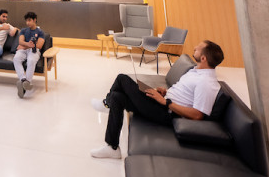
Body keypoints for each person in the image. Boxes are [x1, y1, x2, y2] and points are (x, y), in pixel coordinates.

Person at [90, 40, 224, 159]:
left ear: (203, 58)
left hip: (167, 113)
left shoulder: (206, 83)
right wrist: (165, 92)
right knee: (117, 97)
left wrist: (166, 102)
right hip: (163, 102)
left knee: (122, 79)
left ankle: (106, 104)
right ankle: (112, 148)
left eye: (198, 48)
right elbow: (184, 94)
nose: (195, 47)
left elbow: (197, 115)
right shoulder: (196, 71)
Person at [14, 12, 45, 98]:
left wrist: (25, 46)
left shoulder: (40, 32)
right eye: (26, 21)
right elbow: (20, 41)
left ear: (34, 20)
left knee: (31, 60)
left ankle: (25, 84)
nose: (27, 23)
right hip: (24, 49)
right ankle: (24, 80)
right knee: (16, 59)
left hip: (34, 50)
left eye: (29, 20)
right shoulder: (23, 30)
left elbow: (39, 45)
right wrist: (28, 45)